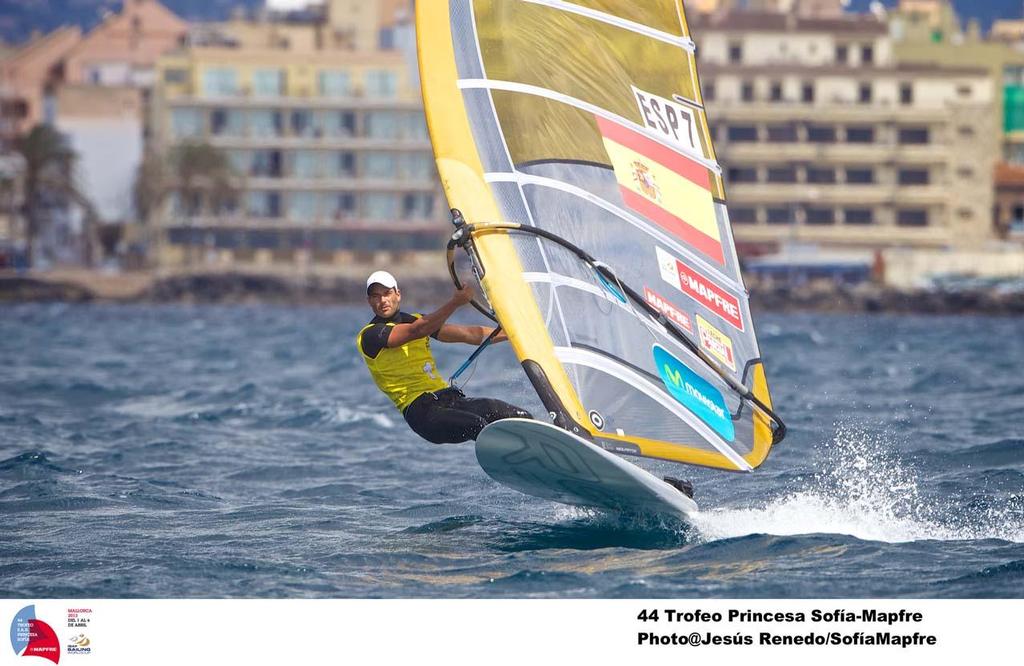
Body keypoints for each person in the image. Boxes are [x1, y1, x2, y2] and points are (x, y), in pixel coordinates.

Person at [357, 270, 532, 444]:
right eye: (376, 296)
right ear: (369, 301)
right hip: (423, 414)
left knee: (515, 416)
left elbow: (470, 334)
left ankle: (540, 449)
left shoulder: (418, 320)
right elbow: (417, 330)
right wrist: (455, 303)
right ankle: (514, 462)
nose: (382, 301)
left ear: (398, 294)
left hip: (450, 400)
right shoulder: (371, 335)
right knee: (477, 425)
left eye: (387, 293)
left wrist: (516, 331)